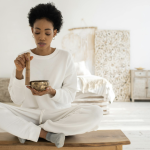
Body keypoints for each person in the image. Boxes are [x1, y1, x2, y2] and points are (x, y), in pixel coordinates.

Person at [0, 2, 103, 148]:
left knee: (96, 113)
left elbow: (70, 95)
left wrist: (52, 92)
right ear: (32, 30)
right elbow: (17, 99)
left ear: (54, 33)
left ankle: (27, 132)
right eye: (37, 32)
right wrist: (18, 72)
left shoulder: (64, 57)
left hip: (57, 116)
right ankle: (46, 135)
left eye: (47, 33)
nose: (42, 37)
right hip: (29, 115)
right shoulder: (23, 58)